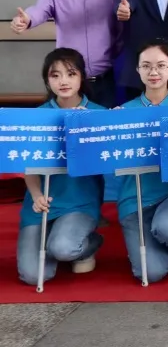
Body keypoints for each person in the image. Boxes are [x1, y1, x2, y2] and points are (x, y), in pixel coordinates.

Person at [17, 48, 105, 285]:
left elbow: (110, 165)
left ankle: (89, 245)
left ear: (82, 77)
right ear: (47, 80)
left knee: (63, 248)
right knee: (34, 276)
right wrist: (36, 196)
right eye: (55, 75)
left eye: (71, 74)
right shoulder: (36, 117)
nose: (63, 81)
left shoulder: (98, 114)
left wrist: (87, 131)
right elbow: (29, 166)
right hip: (42, 203)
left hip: (79, 202)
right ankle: (56, 239)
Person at [115, 40, 168, 283]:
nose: (153, 72)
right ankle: (153, 251)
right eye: (146, 66)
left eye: (160, 65)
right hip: (135, 199)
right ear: (137, 70)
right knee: (150, 273)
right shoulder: (121, 112)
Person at [10, 0, 120, 107]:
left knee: (103, 124)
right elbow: (39, 11)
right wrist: (26, 20)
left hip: (103, 82)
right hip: (68, 84)